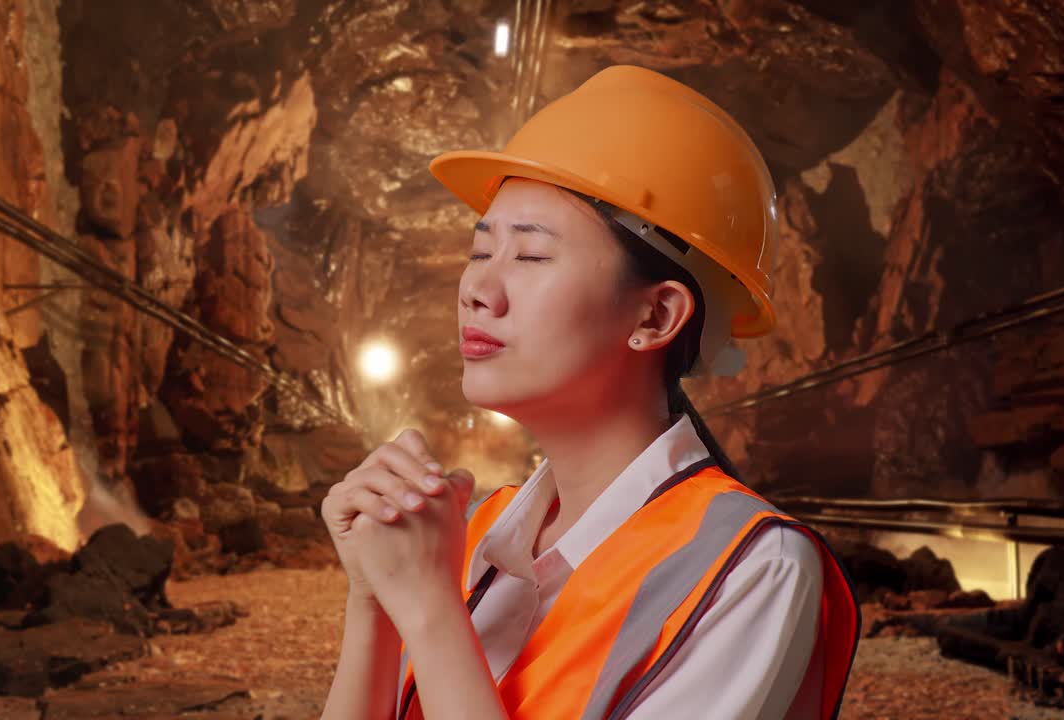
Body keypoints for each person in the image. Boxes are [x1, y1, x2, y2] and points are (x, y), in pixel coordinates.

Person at [319, 65, 860, 720]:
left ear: (655, 318)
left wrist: (432, 610)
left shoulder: (751, 568)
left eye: (530, 257)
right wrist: (374, 597)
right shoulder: (475, 532)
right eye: (480, 251)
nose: (476, 290)